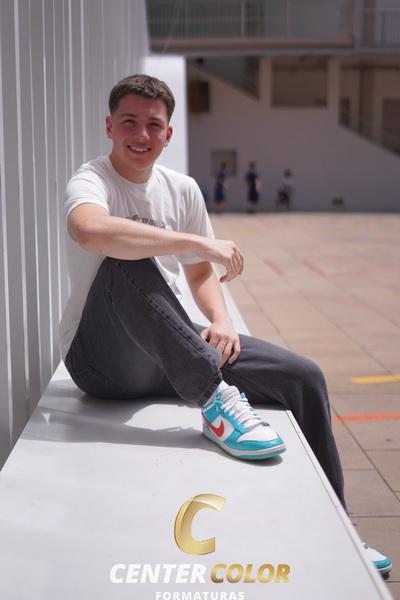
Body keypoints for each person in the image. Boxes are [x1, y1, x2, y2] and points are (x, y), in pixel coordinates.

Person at [60, 74, 391, 576]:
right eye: (129, 122)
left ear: (168, 133)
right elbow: (89, 231)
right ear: (109, 126)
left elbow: (199, 275)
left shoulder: (182, 189)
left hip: (169, 349)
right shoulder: (91, 180)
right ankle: (215, 404)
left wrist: (221, 320)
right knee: (123, 261)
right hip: (102, 361)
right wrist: (195, 242)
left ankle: (342, 530)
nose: (141, 135)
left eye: (154, 125)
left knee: (303, 377)